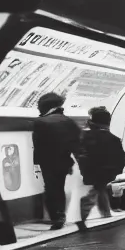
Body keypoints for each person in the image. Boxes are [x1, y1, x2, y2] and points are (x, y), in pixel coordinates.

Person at [33, 92, 83, 230]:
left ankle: (57, 218)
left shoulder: (40, 122)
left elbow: (38, 145)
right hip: (64, 161)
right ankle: (61, 214)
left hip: (48, 162)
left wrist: (36, 163)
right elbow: (77, 143)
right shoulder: (68, 121)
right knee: (58, 188)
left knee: (51, 189)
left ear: (45, 106)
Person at [74, 107, 125, 232]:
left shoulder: (86, 136)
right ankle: (105, 213)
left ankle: (81, 219)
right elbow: (121, 157)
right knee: (100, 189)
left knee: (91, 194)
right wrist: (117, 170)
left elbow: (79, 153)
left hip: (91, 171)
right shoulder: (114, 138)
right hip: (107, 171)